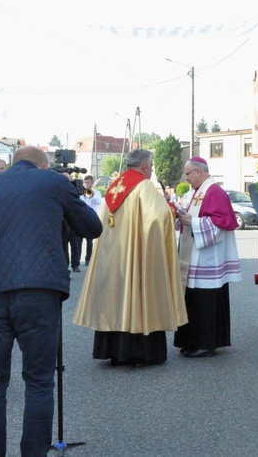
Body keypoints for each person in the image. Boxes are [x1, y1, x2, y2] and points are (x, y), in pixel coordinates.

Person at [0, 145, 102, 456]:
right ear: (42, 166)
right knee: (38, 381)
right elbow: (92, 227)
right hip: (39, 293)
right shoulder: (53, 182)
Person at [73, 149, 187, 367]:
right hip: (137, 255)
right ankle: (139, 353)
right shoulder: (143, 186)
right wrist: (170, 210)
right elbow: (156, 218)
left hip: (114, 255)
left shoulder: (115, 186)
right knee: (139, 294)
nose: (152, 169)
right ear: (144, 166)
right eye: (151, 165)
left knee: (116, 297)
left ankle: (114, 352)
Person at [173, 157, 241, 358]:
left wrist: (191, 222)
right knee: (194, 299)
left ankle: (205, 344)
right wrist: (181, 218)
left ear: (198, 172)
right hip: (196, 254)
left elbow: (220, 222)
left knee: (205, 301)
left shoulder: (214, 192)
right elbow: (192, 216)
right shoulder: (196, 192)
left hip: (208, 257)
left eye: (187, 173)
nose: (186, 178)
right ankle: (191, 341)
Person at [79, 175, 103, 266]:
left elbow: (99, 202)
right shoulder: (80, 193)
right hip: (81, 218)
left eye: (88, 182)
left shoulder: (96, 192)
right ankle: (77, 261)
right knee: (79, 241)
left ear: (92, 183)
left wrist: (90, 194)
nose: (86, 184)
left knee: (89, 241)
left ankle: (88, 259)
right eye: (85, 182)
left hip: (91, 218)